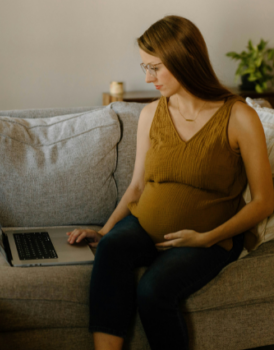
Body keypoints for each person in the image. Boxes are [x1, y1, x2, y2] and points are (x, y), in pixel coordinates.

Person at [66, 15, 274, 350]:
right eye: (144, 67)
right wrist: (105, 232)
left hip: (210, 237)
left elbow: (264, 201)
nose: (148, 79)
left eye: (156, 68)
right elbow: (136, 187)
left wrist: (207, 238)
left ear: (186, 60)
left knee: (153, 290)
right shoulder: (150, 115)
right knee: (111, 251)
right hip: (145, 224)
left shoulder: (238, 117)